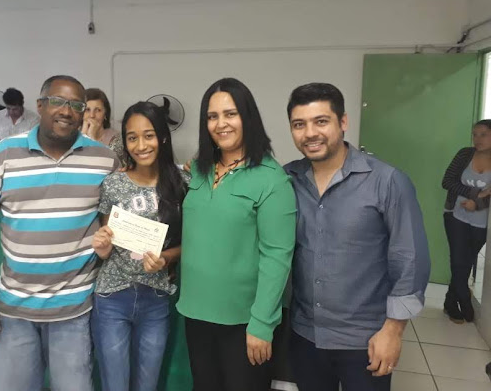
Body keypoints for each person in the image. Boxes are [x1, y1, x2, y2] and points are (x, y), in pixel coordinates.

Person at [0, 75, 119, 391]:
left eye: (76, 105)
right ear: (41, 105)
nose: (67, 111)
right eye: (58, 102)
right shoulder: (3, 154)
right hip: (15, 311)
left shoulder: (104, 159)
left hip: (74, 312)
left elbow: (112, 227)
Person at [284, 83, 431, 391]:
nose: (310, 133)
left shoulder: (387, 181)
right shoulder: (288, 179)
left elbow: (410, 260)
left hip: (366, 338)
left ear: (343, 122)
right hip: (305, 334)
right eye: (299, 124)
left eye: (321, 121)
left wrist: (393, 331)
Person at [176, 77, 296, 391]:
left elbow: (277, 256)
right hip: (196, 312)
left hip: (244, 321)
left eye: (230, 114)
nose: (221, 124)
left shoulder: (271, 179)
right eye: (212, 116)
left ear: (247, 117)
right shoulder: (199, 171)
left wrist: (262, 323)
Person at [91, 101, 189, 391]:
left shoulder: (183, 183)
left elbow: (192, 242)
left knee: (148, 384)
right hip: (112, 296)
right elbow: (108, 238)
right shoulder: (113, 184)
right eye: (132, 137)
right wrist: (102, 247)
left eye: (149, 135)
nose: (141, 145)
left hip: (156, 296)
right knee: (115, 384)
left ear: (163, 137)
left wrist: (166, 257)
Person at [441, 120, 491, 323]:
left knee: (465, 262)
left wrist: (476, 204)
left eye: (483, 134)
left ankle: (449, 301)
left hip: (482, 222)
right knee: (458, 260)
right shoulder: (465, 154)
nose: (477, 139)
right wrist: (478, 193)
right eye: (475, 134)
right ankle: (464, 300)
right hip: (455, 215)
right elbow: (447, 181)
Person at [83, 88, 126, 164]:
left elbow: (107, 165)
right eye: (87, 110)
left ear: (105, 114)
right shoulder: (71, 136)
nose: (92, 115)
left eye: (98, 110)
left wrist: (92, 139)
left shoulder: (117, 140)